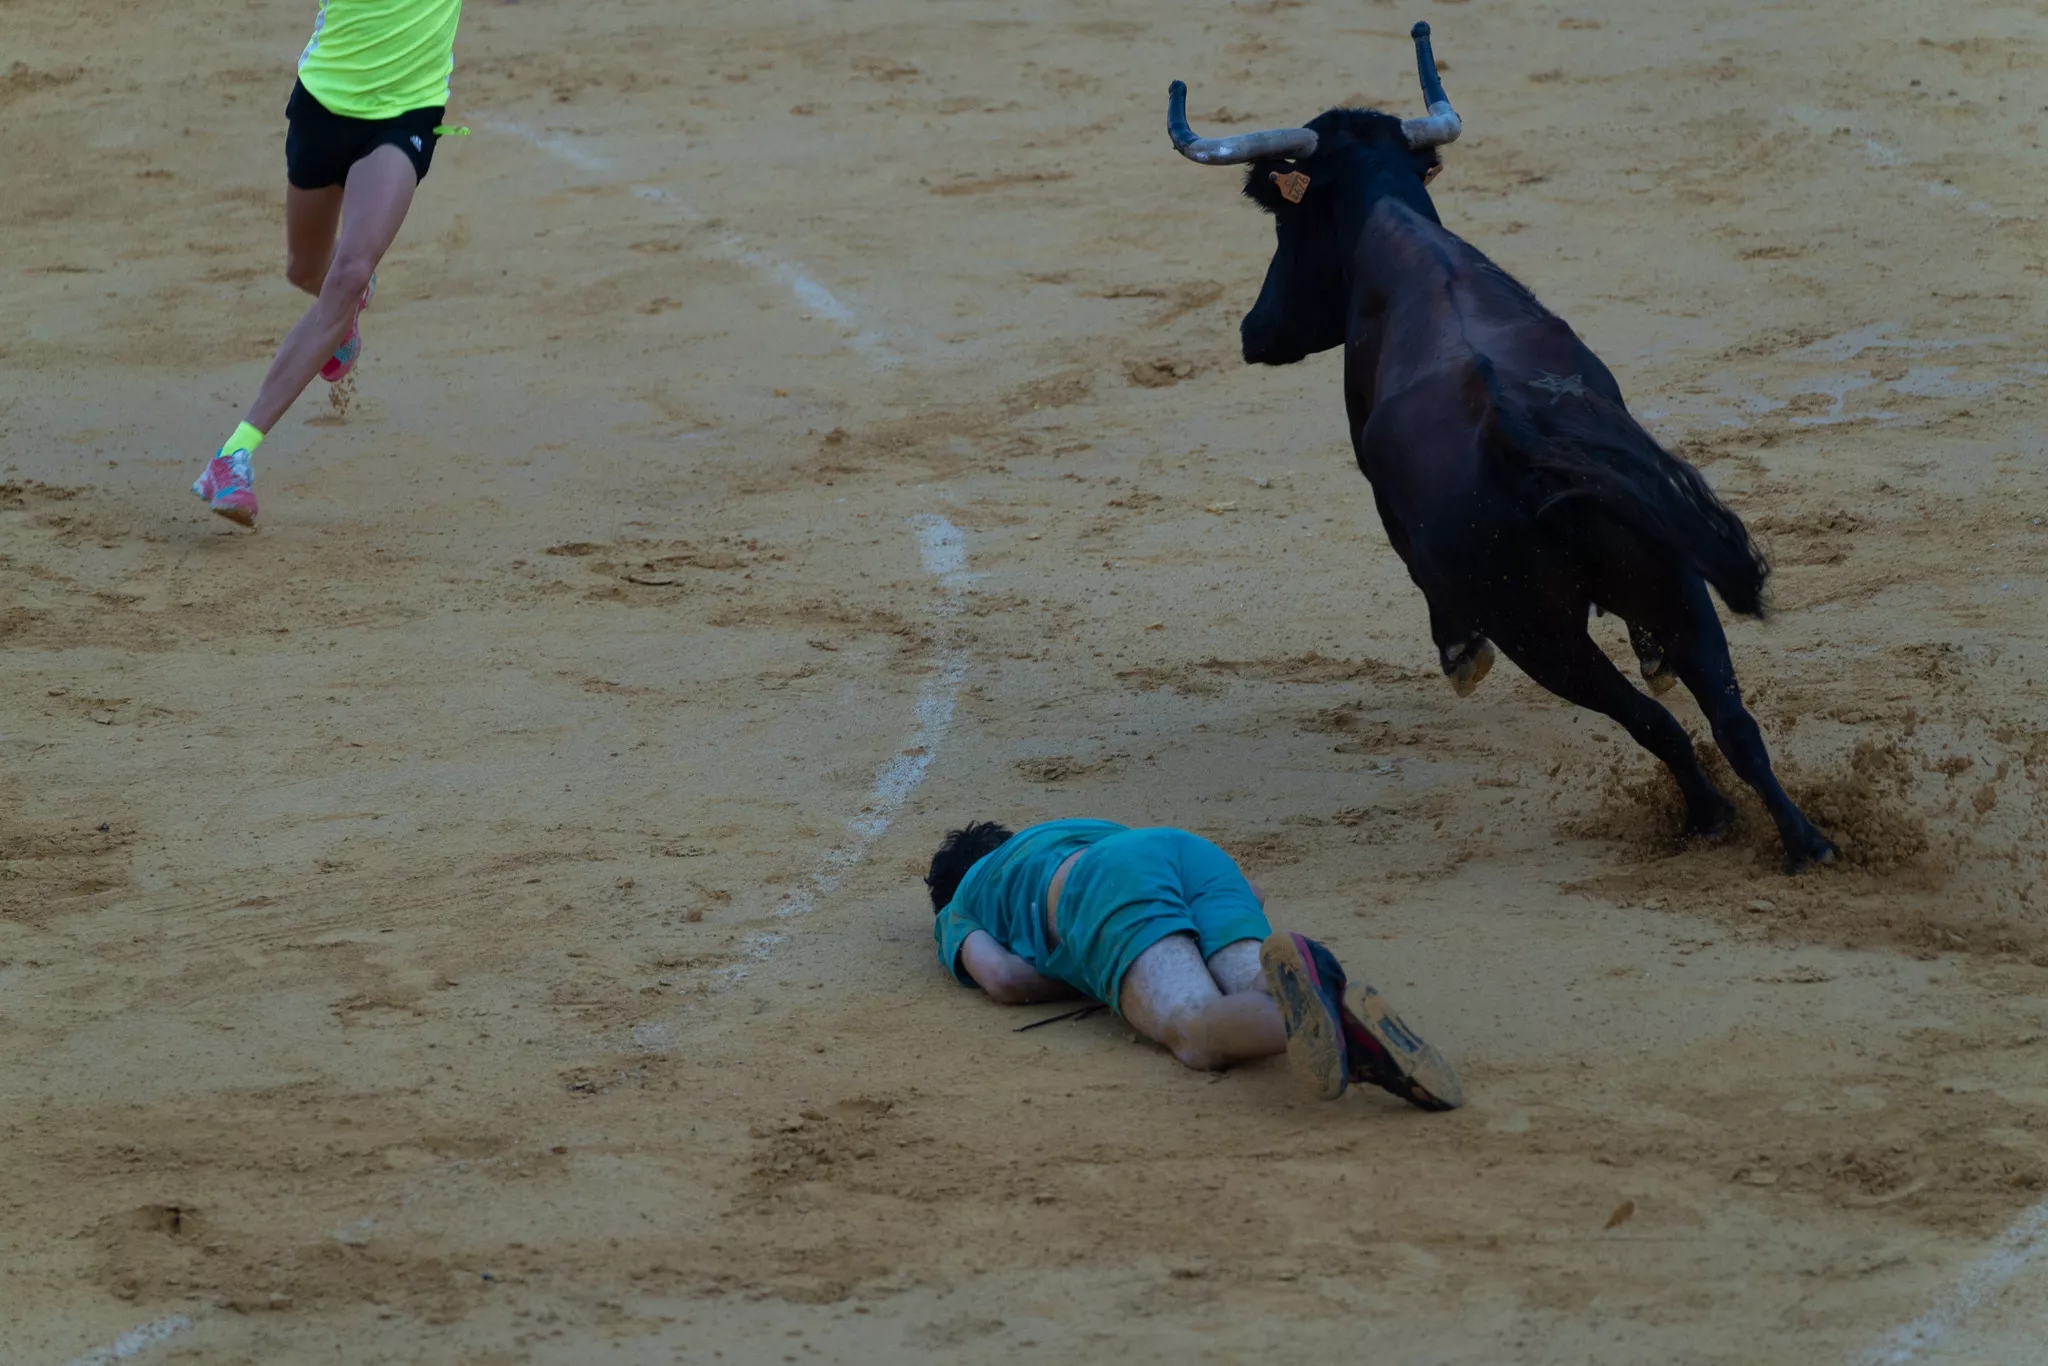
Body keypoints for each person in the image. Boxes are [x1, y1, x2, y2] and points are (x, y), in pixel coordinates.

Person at [925, 819, 1464, 1110]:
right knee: (1255, 980)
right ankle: (1316, 999)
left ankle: (1335, 1019)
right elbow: (1246, 890)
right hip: (1188, 853)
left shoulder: (961, 902)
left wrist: (1102, 976)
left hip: (1104, 886)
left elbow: (1004, 978)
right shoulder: (1068, 828)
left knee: (1193, 1028)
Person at [191, 0, 465, 526]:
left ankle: (233, 455)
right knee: (306, 270)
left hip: (408, 113)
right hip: (324, 104)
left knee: (350, 272)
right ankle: (342, 315)